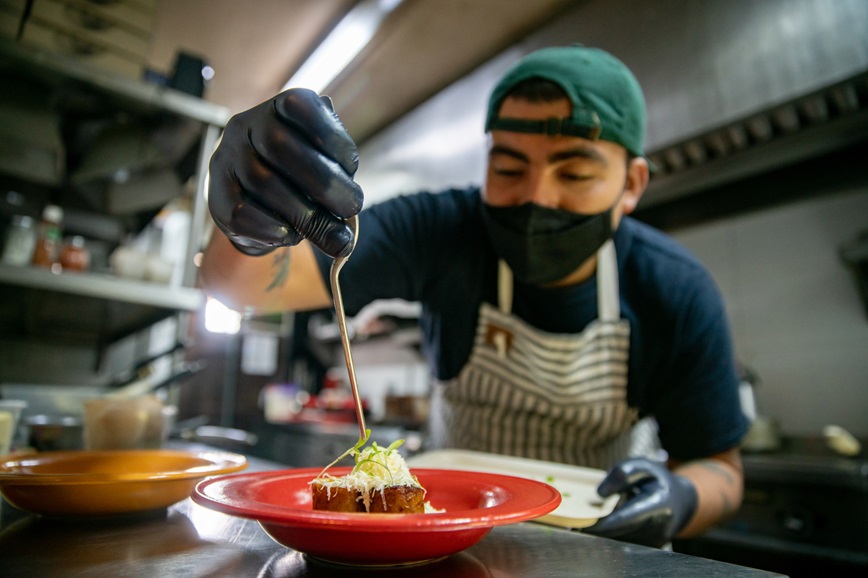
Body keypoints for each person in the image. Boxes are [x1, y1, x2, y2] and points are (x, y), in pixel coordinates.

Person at [200, 45, 749, 548]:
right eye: (509, 168)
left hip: (599, 546)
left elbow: (720, 469)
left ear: (631, 184)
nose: (536, 197)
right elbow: (239, 285)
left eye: (576, 172)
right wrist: (247, 205)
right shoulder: (444, 232)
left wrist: (678, 501)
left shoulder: (674, 289)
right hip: (449, 542)